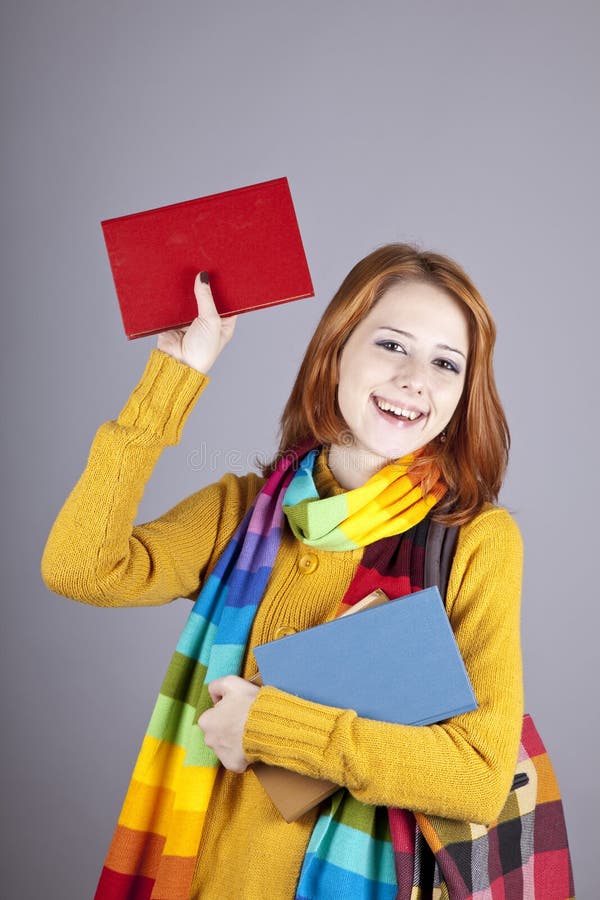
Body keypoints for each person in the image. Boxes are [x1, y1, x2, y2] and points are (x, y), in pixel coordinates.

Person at [41, 244, 523, 899]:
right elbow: (82, 569)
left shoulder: (472, 541)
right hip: (203, 878)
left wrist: (265, 726)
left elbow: (479, 775)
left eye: (446, 363)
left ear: (463, 393)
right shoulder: (242, 512)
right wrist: (171, 379)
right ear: (335, 350)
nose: (416, 379)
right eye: (392, 345)